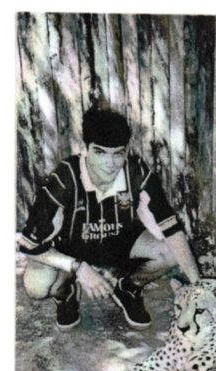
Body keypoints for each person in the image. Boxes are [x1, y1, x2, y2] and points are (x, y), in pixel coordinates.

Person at [18, 106, 201, 330]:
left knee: (174, 251)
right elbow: (30, 245)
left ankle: (129, 287)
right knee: (36, 286)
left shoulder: (136, 172)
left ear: (126, 151)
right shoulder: (64, 178)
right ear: (85, 149)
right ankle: (65, 293)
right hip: (73, 249)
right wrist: (79, 268)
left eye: (118, 153)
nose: (110, 163)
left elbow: (171, 229)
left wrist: (199, 287)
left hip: (120, 244)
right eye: (100, 152)